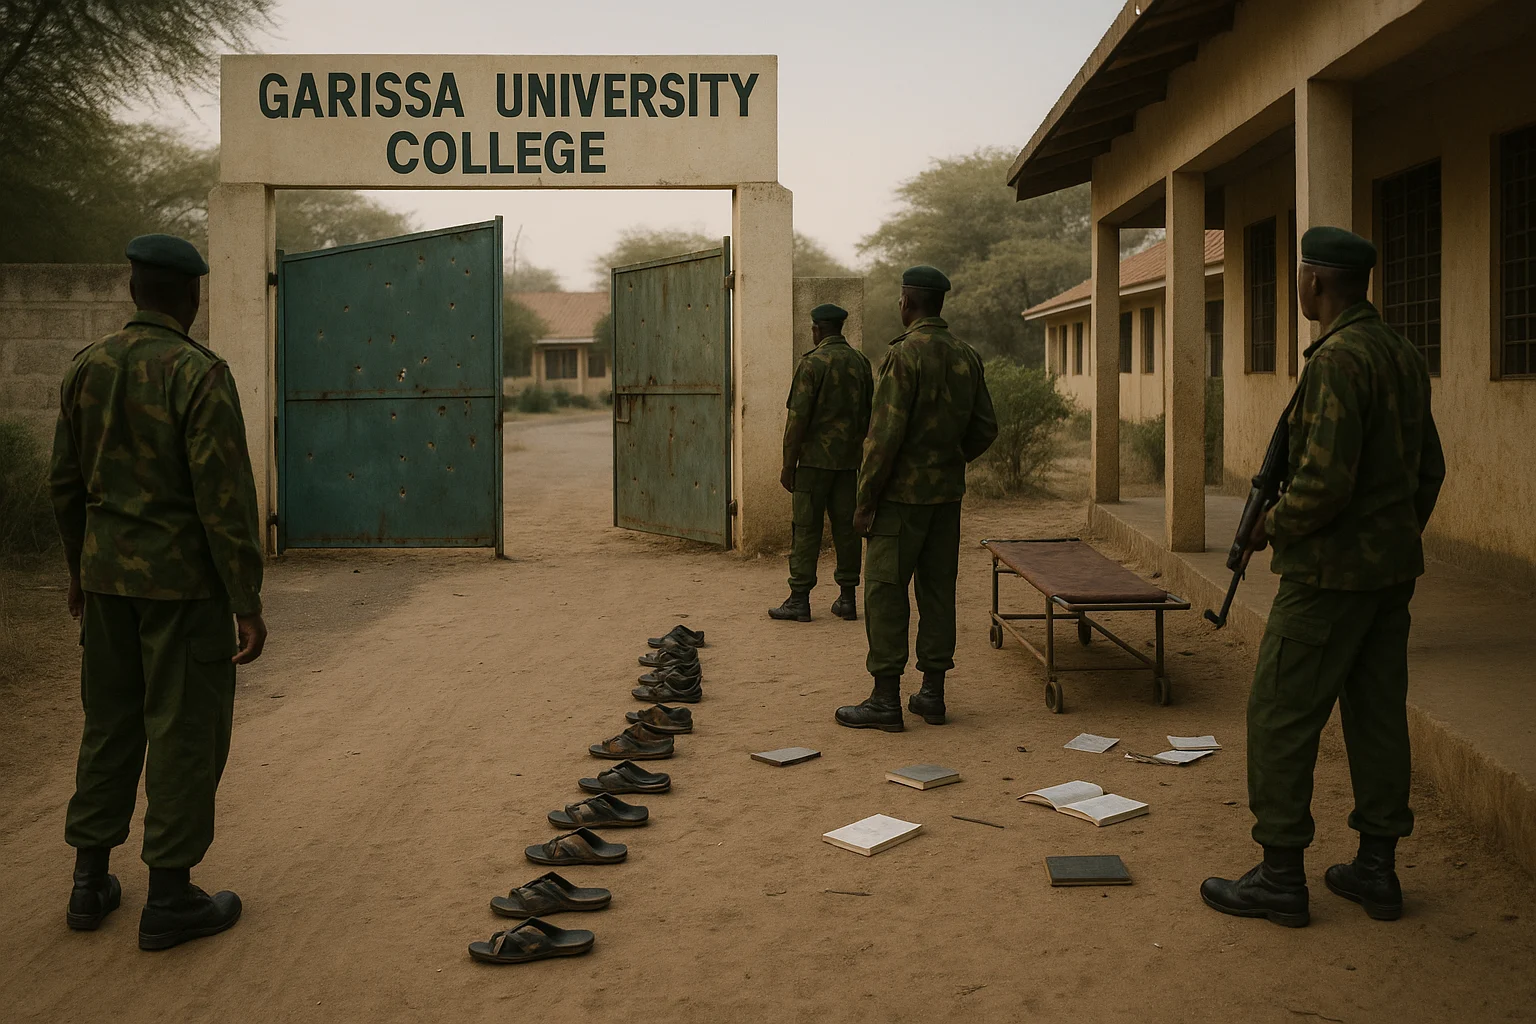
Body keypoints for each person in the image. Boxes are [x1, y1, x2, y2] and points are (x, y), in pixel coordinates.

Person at [1201, 226, 1445, 927]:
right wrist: (1393, 538)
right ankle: (1377, 871)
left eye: (1299, 278)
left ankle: (1280, 877)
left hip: (1328, 580)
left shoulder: (1337, 360)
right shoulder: (1400, 353)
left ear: (1314, 284)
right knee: (1375, 717)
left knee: (1279, 714)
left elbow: (1323, 483)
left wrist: (1268, 525)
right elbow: (1430, 469)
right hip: (1387, 579)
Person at [50, 233, 268, 950]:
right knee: (182, 732)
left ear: (133, 291)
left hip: (108, 581)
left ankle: (89, 884)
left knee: (109, 722)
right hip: (182, 588)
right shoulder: (197, 371)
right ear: (190, 296)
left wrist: (80, 573)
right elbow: (224, 496)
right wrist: (245, 599)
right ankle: (170, 899)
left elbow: (65, 484)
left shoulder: (87, 366)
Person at [834, 266, 997, 732]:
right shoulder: (967, 355)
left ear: (908, 303)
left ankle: (885, 701)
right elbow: (986, 428)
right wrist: (949, 461)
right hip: (945, 499)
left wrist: (864, 500)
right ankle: (932, 695)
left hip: (899, 502)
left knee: (885, 593)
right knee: (937, 592)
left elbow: (882, 437)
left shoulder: (903, 356)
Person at [769, 302, 873, 623]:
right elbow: (870, 414)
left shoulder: (812, 364)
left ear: (817, 330)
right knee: (847, 529)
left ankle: (799, 599)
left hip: (813, 464)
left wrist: (789, 465)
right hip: (848, 465)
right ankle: (847, 598)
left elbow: (796, 420)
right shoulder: (861, 363)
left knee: (806, 528)